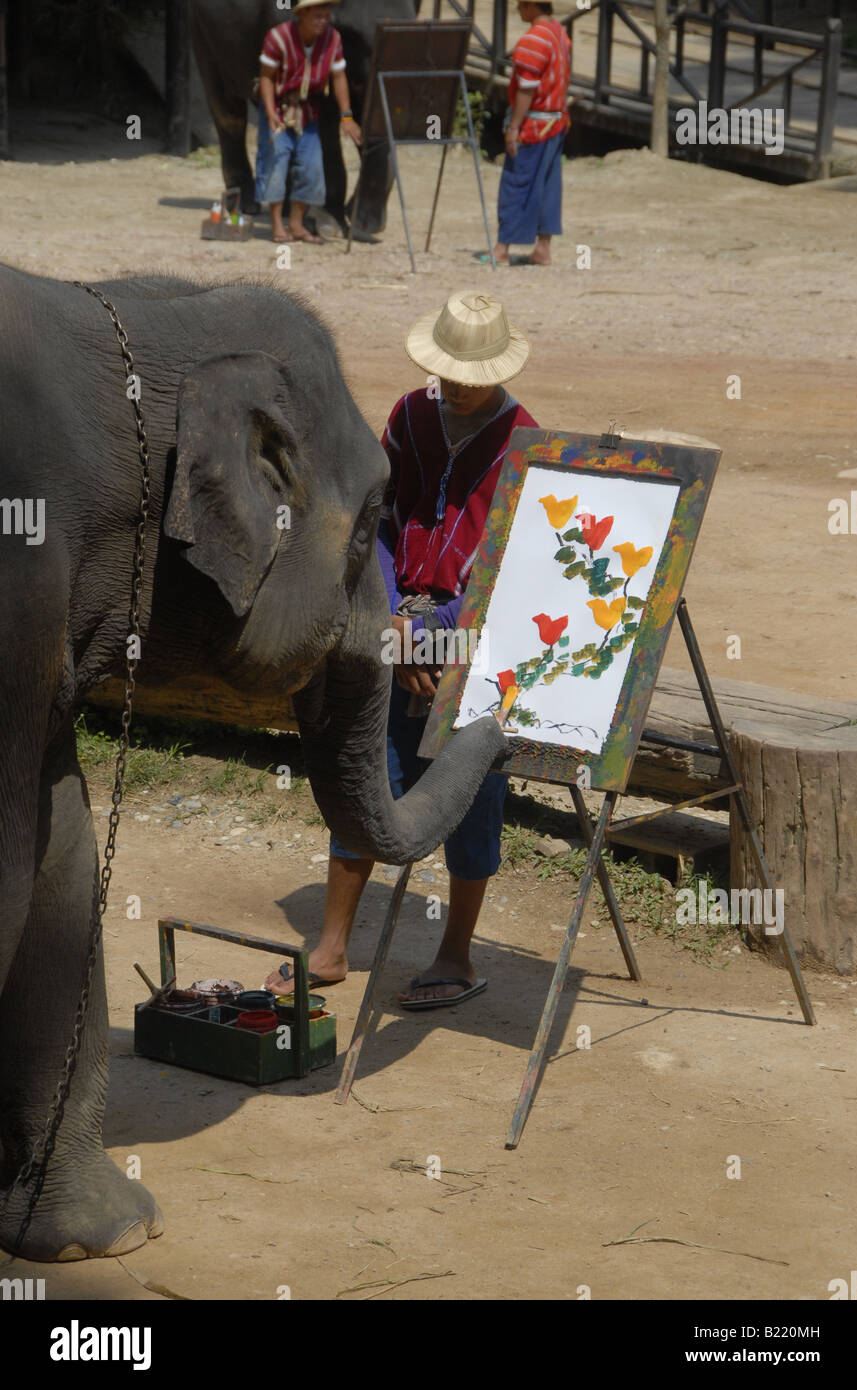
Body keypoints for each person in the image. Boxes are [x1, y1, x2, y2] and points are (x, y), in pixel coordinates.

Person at [266, 292, 537, 1009]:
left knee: (471, 791)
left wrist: (430, 632)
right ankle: (331, 946)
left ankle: (456, 953)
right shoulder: (409, 415)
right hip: (392, 620)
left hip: (473, 636)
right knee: (364, 772)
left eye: (469, 377)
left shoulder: (526, 444)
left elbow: (504, 565)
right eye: (448, 373)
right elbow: (378, 520)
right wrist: (391, 617)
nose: (456, 386)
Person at [256, 0, 361, 244]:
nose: (323, 21)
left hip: (308, 110)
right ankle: (277, 225)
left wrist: (347, 116)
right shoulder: (278, 38)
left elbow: (338, 76)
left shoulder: (332, 39)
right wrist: (270, 112)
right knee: (276, 161)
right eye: (317, 16)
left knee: (311, 167)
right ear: (302, 14)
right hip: (279, 107)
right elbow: (266, 78)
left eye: (326, 16)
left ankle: (296, 224)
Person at [492, 1, 572, 267]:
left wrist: (514, 126)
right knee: (548, 186)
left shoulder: (533, 39)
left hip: (535, 125)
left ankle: (502, 248)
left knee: (516, 184)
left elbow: (527, 88)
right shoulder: (559, 33)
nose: (518, 9)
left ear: (531, 6)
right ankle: (543, 249)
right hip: (556, 122)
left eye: (521, 4)